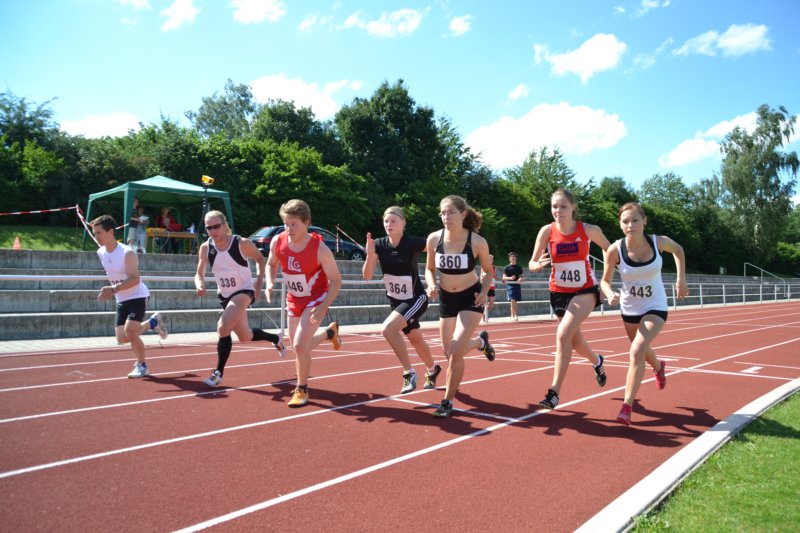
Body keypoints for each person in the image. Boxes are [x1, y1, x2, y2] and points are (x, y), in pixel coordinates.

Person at [600, 202, 688, 426]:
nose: (630, 225)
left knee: (637, 350)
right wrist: (609, 293)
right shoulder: (615, 250)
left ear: (644, 221)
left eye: (635, 220)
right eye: (625, 222)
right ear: (620, 225)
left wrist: (681, 280)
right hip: (630, 308)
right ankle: (658, 366)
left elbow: (679, 251)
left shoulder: (659, 242)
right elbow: (604, 281)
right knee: (642, 349)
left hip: (655, 306)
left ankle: (626, 407)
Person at [528, 188, 610, 410]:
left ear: (573, 207)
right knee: (575, 343)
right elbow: (532, 262)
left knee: (563, 334)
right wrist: (536, 265)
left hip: (585, 290)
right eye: (554, 206)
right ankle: (597, 361)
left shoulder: (589, 230)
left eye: (563, 206)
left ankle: (554, 392)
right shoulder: (546, 231)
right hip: (558, 292)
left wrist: (606, 279)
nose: (558, 211)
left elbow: (610, 250)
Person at [195, 210, 286, 388]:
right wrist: (199, 284)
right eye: (209, 228)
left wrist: (258, 284)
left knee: (223, 327)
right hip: (225, 296)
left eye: (216, 226)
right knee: (245, 336)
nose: (213, 231)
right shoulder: (205, 248)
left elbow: (260, 260)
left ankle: (218, 373)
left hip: (244, 292)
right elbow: (199, 273)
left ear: (225, 226)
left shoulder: (241, 243)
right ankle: (276, 338)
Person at [266, 199, 343, 408]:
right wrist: (270, 282)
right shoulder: (278, 241)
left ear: (306, 223)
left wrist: (323, 306)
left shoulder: (320, 249)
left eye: (294, 224)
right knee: (298, 346)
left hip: (315, 299)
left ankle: (301, 389)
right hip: (294, 299)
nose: (289, 229)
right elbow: (271, 264)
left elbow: (336, 281)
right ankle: (329, 334)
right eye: (286, 224)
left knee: (300, 345)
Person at [425, 195, 496, 418]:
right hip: (447, 298)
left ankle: (447, 401)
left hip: (470, 297)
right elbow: (429, 269)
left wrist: (484, 292)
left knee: (455, 352)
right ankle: (479, 342)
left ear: (463, 214)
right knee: (448, 353)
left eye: (451, 212)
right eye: (443, 213)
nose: (446, 217)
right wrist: (431, 285)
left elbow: (488, 271)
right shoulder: (434, 239)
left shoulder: (477, 242)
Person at [362, 206, 441, 394]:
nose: (388, 224)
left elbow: (437, 249)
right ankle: (433, 369)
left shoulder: (412, 242)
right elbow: (367, 276)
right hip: (396, 301)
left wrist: (432, 281)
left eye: (393, 221)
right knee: (416, 340)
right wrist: (370, 255)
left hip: (416, 298)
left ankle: (409, 372)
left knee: (388, 329)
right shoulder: (379, 244)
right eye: (386, 221)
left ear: (403, 222)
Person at [90, 214, 168, 378]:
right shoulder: (100, 252)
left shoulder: (127, 252)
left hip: (137, 295)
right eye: (94, 233)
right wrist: (114, 290)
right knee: (122, 338)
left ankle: (142, 365)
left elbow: (135, 279)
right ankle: (153, 322)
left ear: (111, 232)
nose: (96, 237)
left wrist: (112, 289)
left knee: (131, 333)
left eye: (99, 233)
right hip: (121, 298)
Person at [502, 252, 524, 321]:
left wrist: (521, 279)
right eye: (511, 257)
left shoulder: (519, 267)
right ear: (509, 259)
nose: (513, 258)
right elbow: (503, 278)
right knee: (512, 300)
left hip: (517, 285)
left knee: (515, 301)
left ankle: (513, 315)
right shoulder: (506, 268)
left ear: (516, 258)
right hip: (510, 285)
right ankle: (515, 315)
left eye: (514, 256)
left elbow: (522, 276)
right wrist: (510, 278)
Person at [484, 255, 496, 323]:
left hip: (492, 287)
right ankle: (485, 315)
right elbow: (482, 275)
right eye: (489, 259)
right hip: (486, 287)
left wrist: (502, 279)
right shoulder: (484, 266)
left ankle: (485, 314)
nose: (490, 260)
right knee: (485, 302)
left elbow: (494, 276)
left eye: (491, 259)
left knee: (491, 303)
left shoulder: (494, 267)